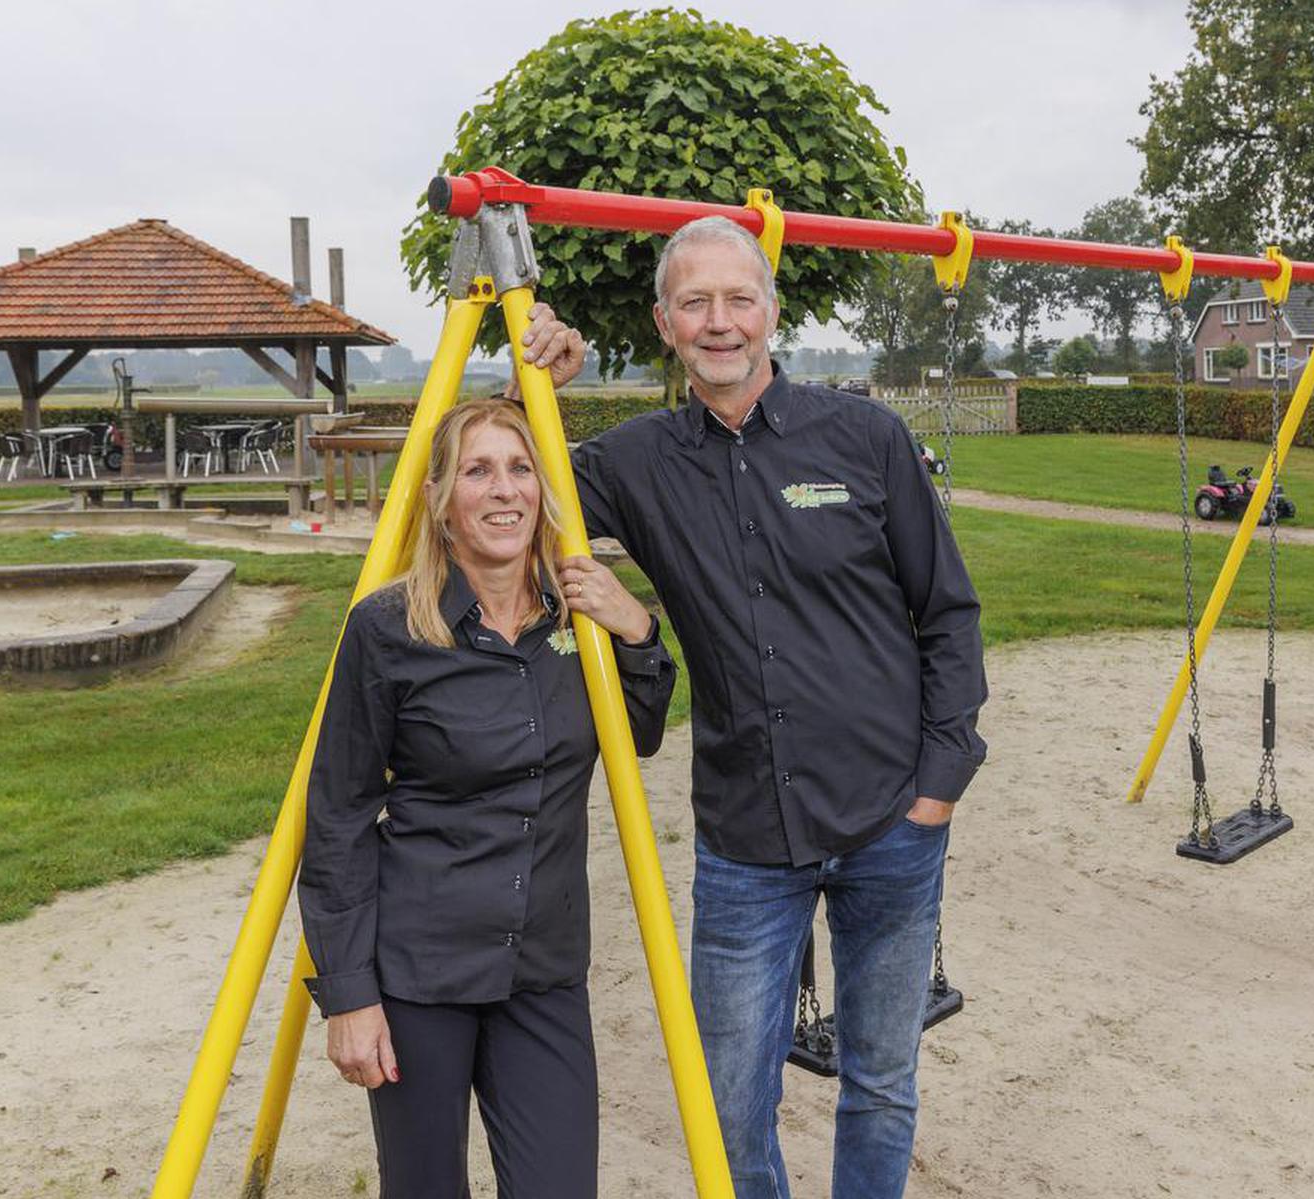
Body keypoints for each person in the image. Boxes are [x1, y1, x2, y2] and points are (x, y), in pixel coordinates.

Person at [518, 215, 988, 1198]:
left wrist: (938, 786)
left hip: (890, 824)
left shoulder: (865, 437)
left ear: (772, 313)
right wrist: (529, 388)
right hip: (744, 839)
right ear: (665, 323)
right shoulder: (636, 462)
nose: (719, 322)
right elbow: (486, 487)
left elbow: (946, 610)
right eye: (696, 302)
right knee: (727, 1104)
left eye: (739, 299)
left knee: (883, 1083)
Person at [297, 397, 676, 1199]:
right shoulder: (389, 629)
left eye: (519, 467)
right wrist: (349, 994)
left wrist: (637, 629)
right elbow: (336, 815)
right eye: (478, 470)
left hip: (541, 967)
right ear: (441, 498)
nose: (503, 490)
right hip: (422, 971)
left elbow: (639, 732)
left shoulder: (579, 615)